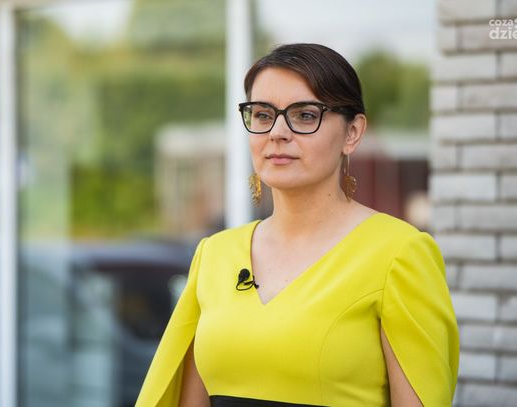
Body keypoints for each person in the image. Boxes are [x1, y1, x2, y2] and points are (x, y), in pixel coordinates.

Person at [136, 43, 459, 407]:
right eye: (262, 115)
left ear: (352, 133)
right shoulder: (214, 255)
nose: (277, 132)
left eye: (305, 115)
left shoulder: (399, 253)